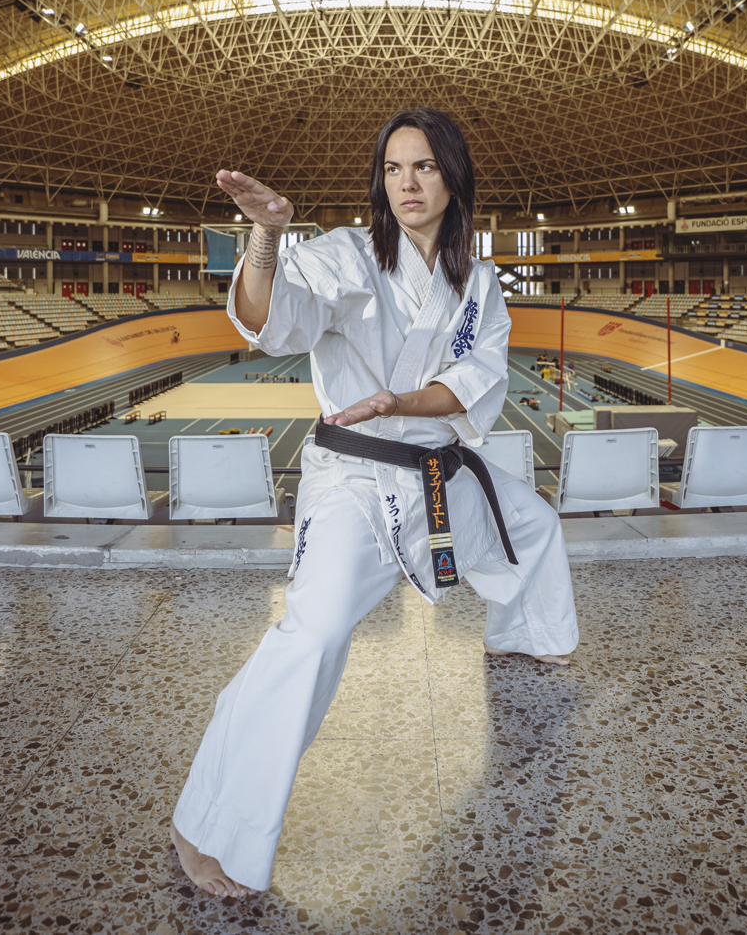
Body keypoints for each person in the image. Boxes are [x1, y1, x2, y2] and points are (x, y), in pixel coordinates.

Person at [170, 108, 579, 900]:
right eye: (393, 169)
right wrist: (266, 237)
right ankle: (208, 821)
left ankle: (528, 632)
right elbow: (269, 321)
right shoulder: (346, 254)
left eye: (423, 166)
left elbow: (473, 383)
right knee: (315, 634)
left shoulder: (479, 281)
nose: (407, 183)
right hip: (355, 479)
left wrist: (402, 400)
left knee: (531, 522)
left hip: (436, 467)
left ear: (453, 177)